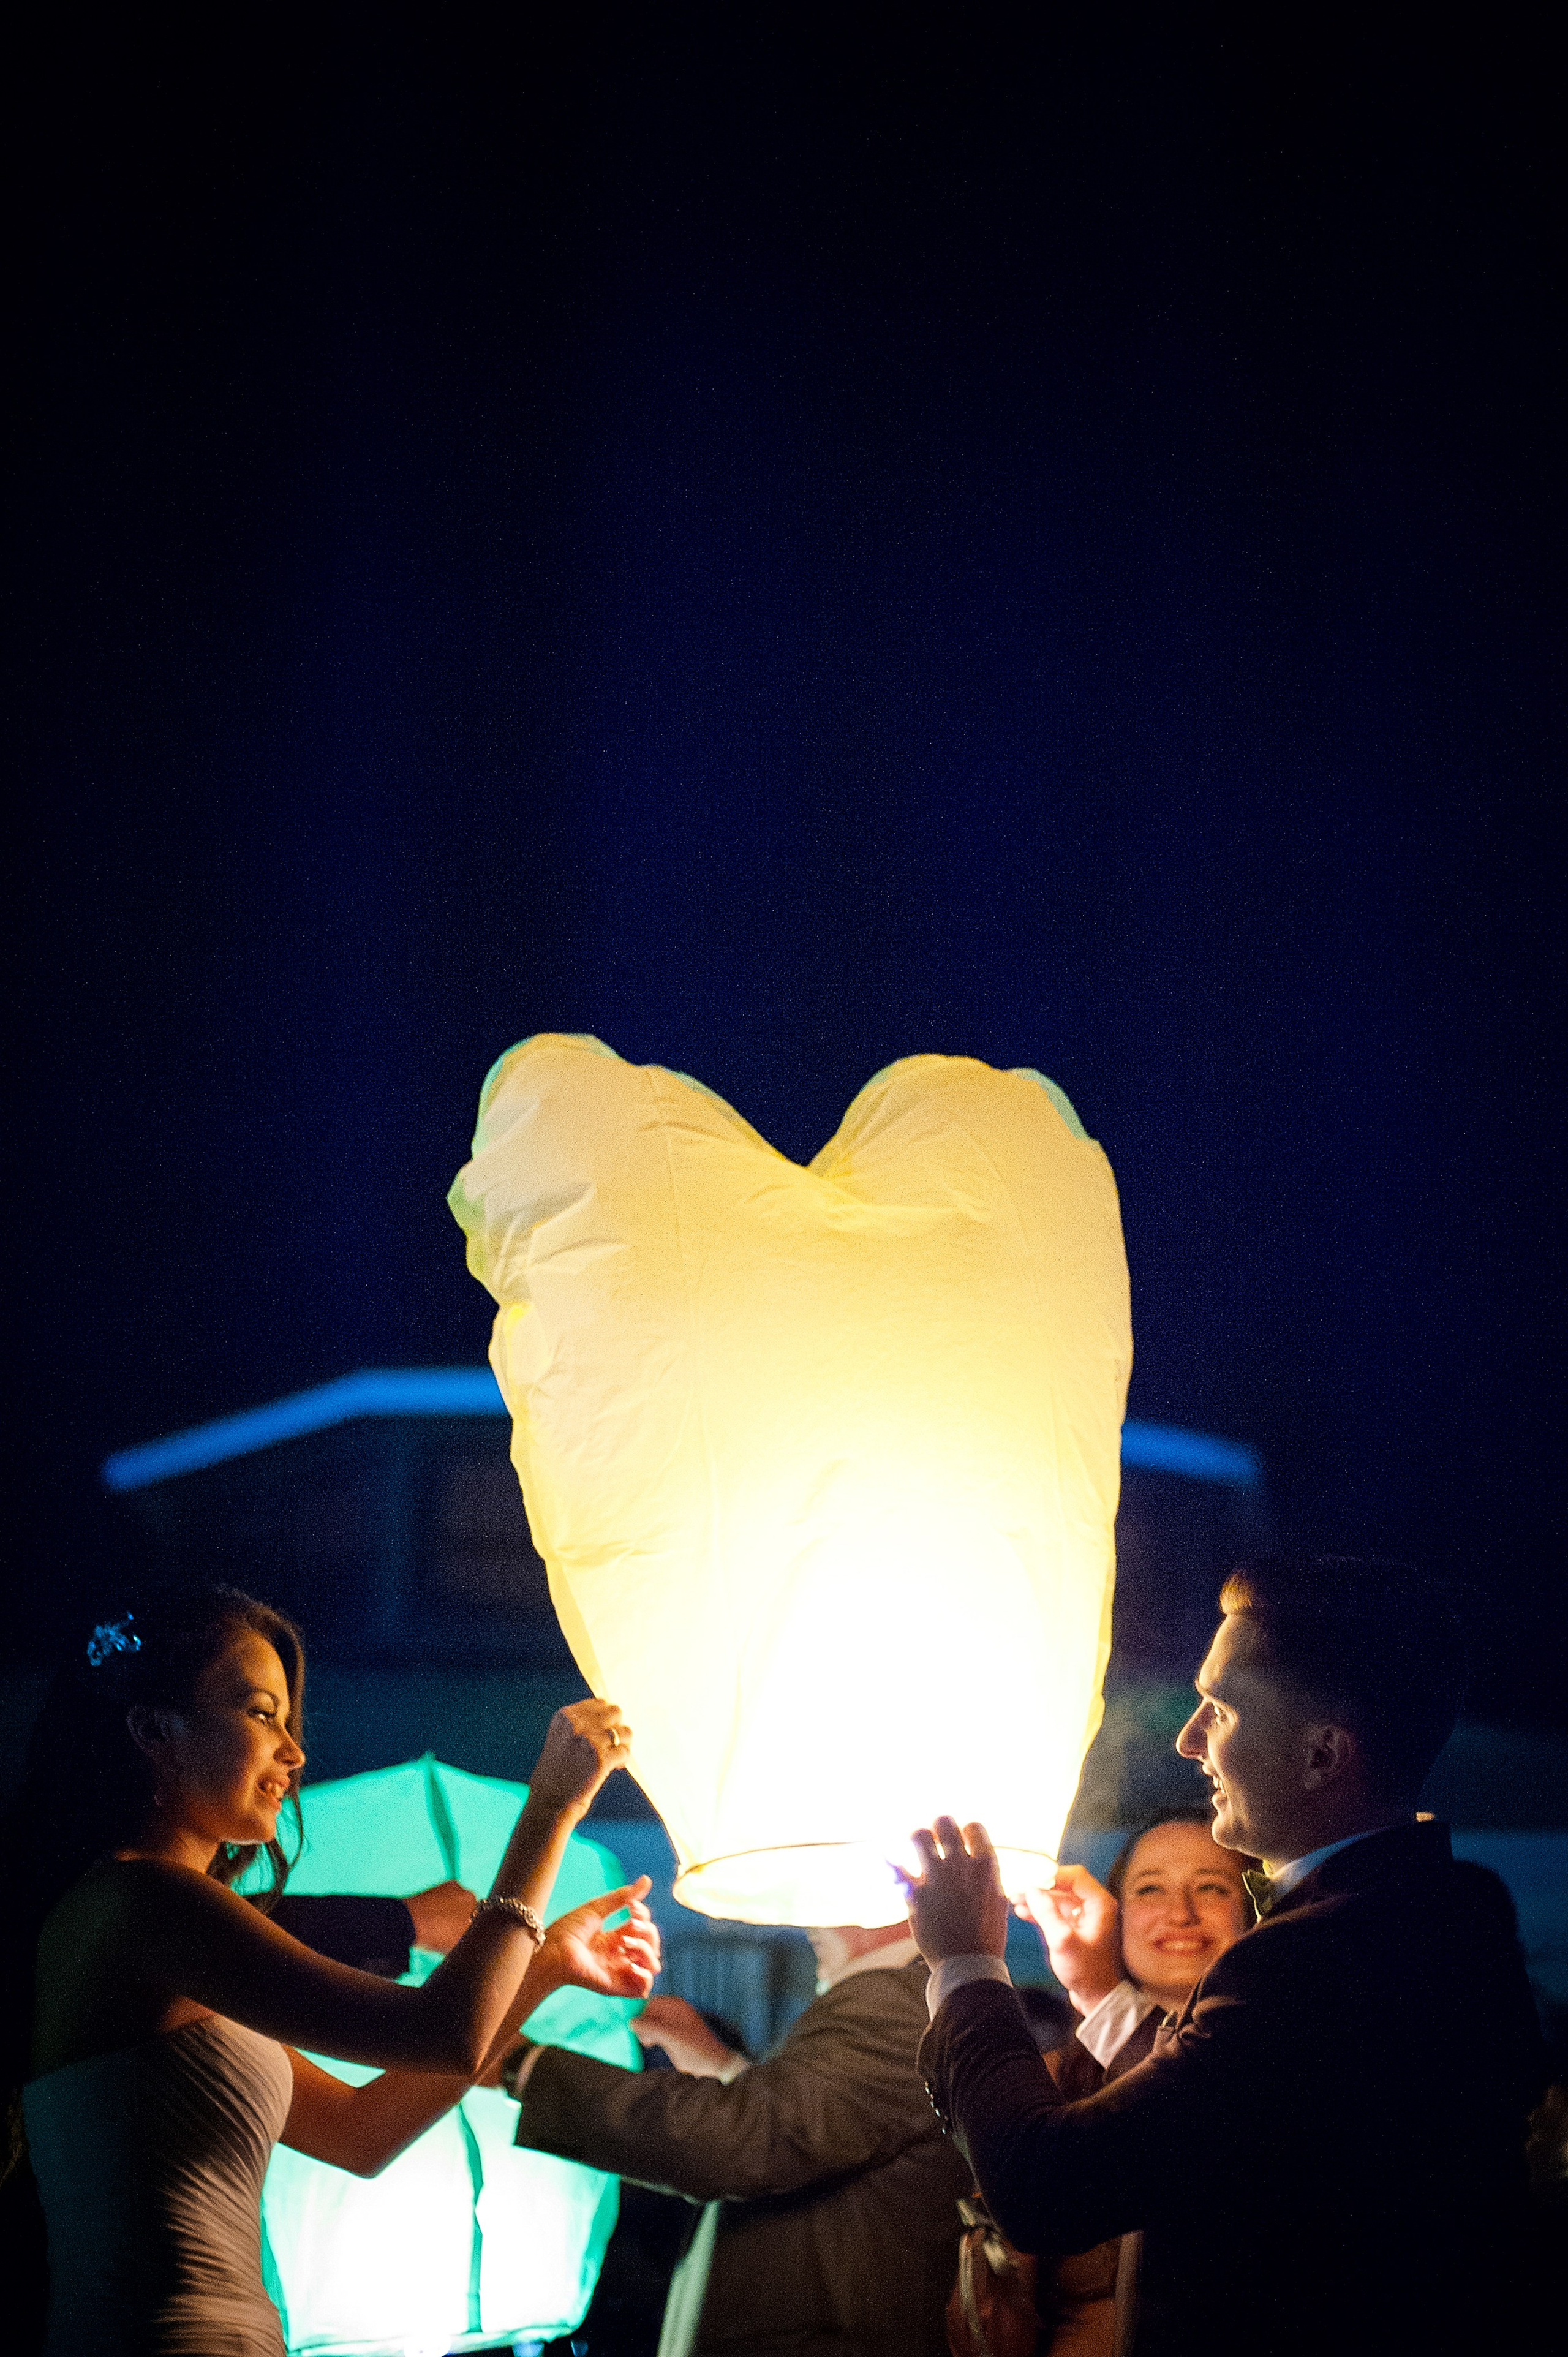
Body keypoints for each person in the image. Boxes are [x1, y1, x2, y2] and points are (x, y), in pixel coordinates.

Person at [907, 1555, 1547, 2357]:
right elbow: (1236, 2122)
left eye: (1219, 1709)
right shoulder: (1440, 1913)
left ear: (1322, 1755)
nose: (1187, 1740)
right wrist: (1099, 1991)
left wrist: (965, 1965)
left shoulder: (1314, 1959)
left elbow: (1049, 2186)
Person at [3, 1583, 658, 2355]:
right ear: (154, 1728)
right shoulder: (143, 1900)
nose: (294, 1751)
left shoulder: (155, 1917)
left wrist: (544, 1968)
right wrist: (549, 1808)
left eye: (287, 1718)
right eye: (259, 1712)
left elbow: (361, 2131)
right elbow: (439, 2030)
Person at [502, 1914, 971, 2356]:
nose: (806, 1920)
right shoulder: (905, 1998)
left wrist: (523, 2066)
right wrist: (724, 2069)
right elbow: (815, 2130)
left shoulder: (894, 2000)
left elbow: (748, 2140)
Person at [984, 1814, 1254, 2356]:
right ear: (1114, 1913)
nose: (1181, 1913)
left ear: (1254, 1915)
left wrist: (1099, 1995)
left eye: (1212, 1887)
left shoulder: (1285, 2076)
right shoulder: (1052, 2086)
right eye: (1151, 1888)